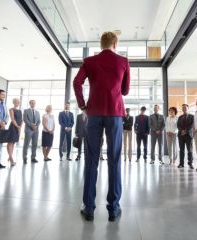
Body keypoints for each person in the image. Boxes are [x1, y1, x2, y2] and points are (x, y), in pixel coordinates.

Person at [73, 31, 130, 222]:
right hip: (114, 114)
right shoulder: (123, 61)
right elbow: (125, 90)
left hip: (94, 113)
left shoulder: (89, 61)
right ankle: (113, 208)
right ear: (115, 43)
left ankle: (89, 207)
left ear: (101, 43)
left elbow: (77, 82)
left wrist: (83, 105)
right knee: (114, 159)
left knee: (91, 159)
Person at [23, 100, 41, 164]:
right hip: (28, 129)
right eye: (32, 103)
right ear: (30, 103)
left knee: (35, 144)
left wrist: (36, 126)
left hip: (36, 130)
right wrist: (32, 125)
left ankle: (33, 157)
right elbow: (25, 120)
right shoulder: (26, 111)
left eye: (34, 103)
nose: (33, 104)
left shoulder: (37, 112)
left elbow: (39, 121)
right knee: (26, 144)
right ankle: (24, 158)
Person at [177, 104, 194, 169]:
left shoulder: (192, 116)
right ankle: (181, 163)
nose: (184, 109)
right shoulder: (180, 117)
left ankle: (190, 164)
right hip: (181, 135)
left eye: (185, 107)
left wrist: (186, 131)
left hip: (188, 135)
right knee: (181, 150)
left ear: (188, 108)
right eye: (183, 108)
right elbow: (178, 125)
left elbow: (191, 125)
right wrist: (182, 131)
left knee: (189, 150)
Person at [6, 98, 23, 166]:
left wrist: (20, 127)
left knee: (13, 143)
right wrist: (17, 126)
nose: (17, 103)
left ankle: (10, 156)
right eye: (16, 101)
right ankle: (11, 158)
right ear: (13, 102)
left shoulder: (20, 111)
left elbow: (22, 120)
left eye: (18, 102)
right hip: (13, 127)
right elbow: (12, 119)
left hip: (18, 128)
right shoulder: (11, 109)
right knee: (10, 142)